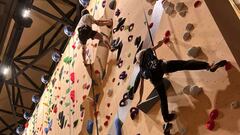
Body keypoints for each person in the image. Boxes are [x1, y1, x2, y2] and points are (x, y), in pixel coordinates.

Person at [128, 41, 228, 122]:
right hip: (162, 66)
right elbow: (157, 45)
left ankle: (166, 117)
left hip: (156, 79)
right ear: (143, 53)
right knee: (185, 64)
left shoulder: (141, 69)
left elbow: (140, 86)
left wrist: (140, 99)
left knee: (163, 98)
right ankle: (208, 66)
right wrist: (162, 41)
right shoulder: (147, 52)